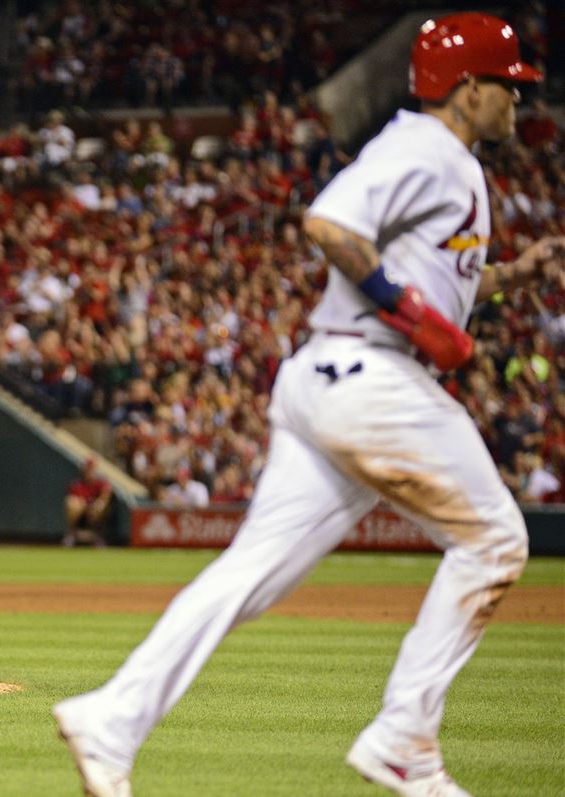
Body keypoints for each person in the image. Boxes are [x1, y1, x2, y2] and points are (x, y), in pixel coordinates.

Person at [52, 14, 563, 797]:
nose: (519, 101)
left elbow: (445, 277)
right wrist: (415, 315)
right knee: (495, 540)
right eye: (507, 85)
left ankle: (112, 718)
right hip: (371, 377)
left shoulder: (447, 161)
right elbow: (328, 221)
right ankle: (405, 740)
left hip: (333, 379)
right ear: (467, 89)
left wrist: (515, 275)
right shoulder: (426, 147)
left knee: (250, 574)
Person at [63, 457, 113, 548]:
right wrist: (83, 504)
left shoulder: (101, 483)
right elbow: (73, 500)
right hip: (81, 514)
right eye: (87, 469)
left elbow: (105, 496)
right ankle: (72, 534)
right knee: (72, 503)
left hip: (96, 513)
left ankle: (97, 536)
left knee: (99, 506)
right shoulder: (77, 484)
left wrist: (97, 504)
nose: (89, 472)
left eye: (91, 469)